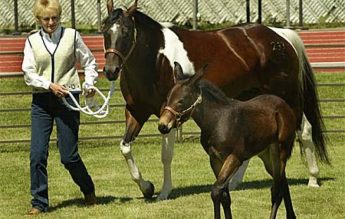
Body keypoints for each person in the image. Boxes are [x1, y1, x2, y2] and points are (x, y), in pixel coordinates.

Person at [22, 0, 98, 215]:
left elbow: (89, 62)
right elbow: (28, 73)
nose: (51, 22)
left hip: (69, 99)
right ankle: (39, 202)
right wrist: (49, 85)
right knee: (37, 154)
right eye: (46, 19)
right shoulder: (32, 41)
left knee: (69, 156)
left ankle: (88, 189)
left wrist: (89, 83)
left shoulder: (72, 35)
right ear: (38, 20)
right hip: (42, 101)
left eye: (54, 17)